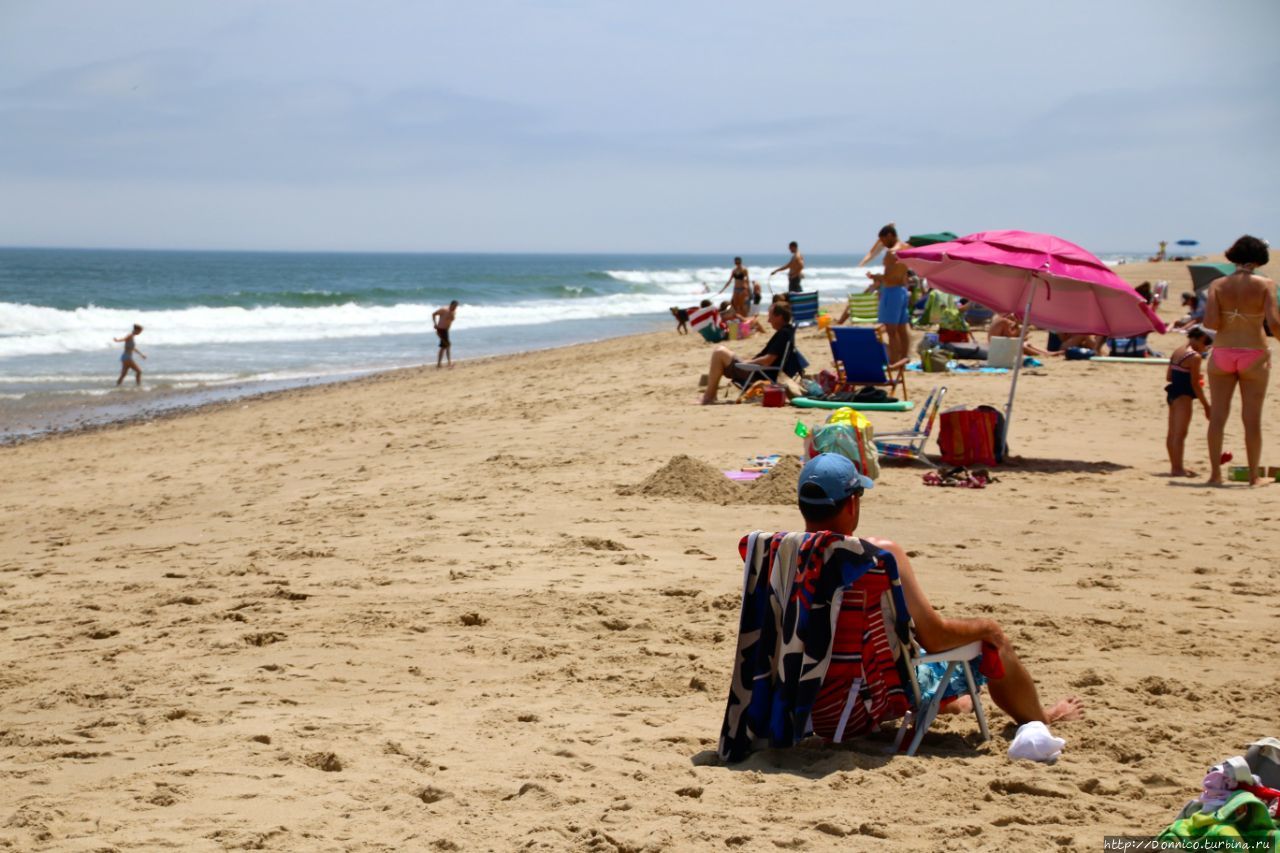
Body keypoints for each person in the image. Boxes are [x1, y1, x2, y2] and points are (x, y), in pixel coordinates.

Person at [795, 453, 1085, 729]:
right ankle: (1041, 718)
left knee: (910, 647)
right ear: (852, 504)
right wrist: (987, 627)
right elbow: (935, 637)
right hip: (870, 695)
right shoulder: (879, 555)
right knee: (991, 638)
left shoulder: (781, 555)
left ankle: (953, 705)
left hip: (800, 691)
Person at [1204, 235, 1280, 486]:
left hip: (1223, 352)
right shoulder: (1266, 284)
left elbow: (1210, 323)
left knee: (1218, 416)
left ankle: (1215, 475)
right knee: (1252, 418)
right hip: (1253, 353)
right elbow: (1274, 323)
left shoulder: (1217, 284)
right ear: (1259, 258)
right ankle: (1254, 476)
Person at [700, 302, 796, 404]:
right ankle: (711, 395)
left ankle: (709, 397)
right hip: (761, 371)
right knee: (721, 353)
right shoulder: (787, 332)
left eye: (770, 317)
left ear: (779, 317)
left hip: (759, 373)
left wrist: (749, 362)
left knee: (719, 353)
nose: (768, 321)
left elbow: (768, 360)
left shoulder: (783, 334)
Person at [858, 223, 913, 366]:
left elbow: (888, 278)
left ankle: (894, 361)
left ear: (889, 236)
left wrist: (875, 276)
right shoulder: (906, 247)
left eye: (882, 241)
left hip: (892, 292)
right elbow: (903, 275)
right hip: (902, 291)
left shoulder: (891, 253)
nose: (882, 244)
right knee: (902, 328)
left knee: (891, 331)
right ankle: (904, 358)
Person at [1165, 327, 1213, 477]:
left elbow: (1169, 377)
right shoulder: (1195, 356)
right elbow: (1195, 385)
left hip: (1172, 394)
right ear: (1202, 338)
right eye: (1207, 344)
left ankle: (1176, 466)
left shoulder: (1178, 351)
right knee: (1180, 434)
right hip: (1184, 397)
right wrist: (1206, 405)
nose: (1205, 348)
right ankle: (1177, 469)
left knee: (1172, 434)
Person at [432, 300, 459, 369]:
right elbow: (434, 314)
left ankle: (440, 364)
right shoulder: (444, 310)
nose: (455, 308)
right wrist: (435, 324)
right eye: (454, 306)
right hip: (441, 330)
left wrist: (452, 317)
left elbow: (451, 320)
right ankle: (447, 363)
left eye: (456, 307)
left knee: (444, 347)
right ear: (451, 305)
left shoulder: (453, 312)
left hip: (446, 331)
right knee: (447, 346)